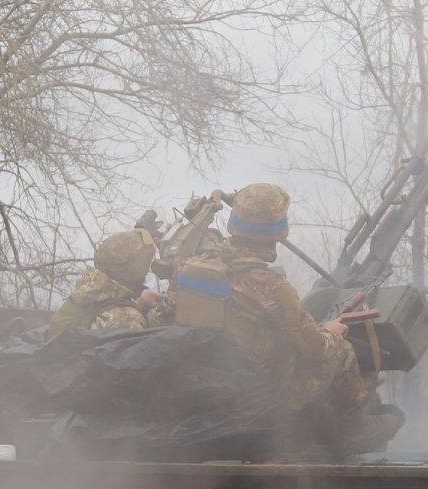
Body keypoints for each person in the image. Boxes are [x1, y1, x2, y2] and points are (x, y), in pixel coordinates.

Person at [166, 183, 401, 451]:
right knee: (339, 349)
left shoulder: (190, 268)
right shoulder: (271, 285)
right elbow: (314, 349)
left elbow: (173, 308)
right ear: (277, 231)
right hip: (263, 392)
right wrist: (330, 332)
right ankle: (356, 428)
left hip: (207, 384)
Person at [49, 229, 162, 334]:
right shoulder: (128, 320)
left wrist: (141, 304)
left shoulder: (87, 292)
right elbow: (119, 322)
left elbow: (104, 314)